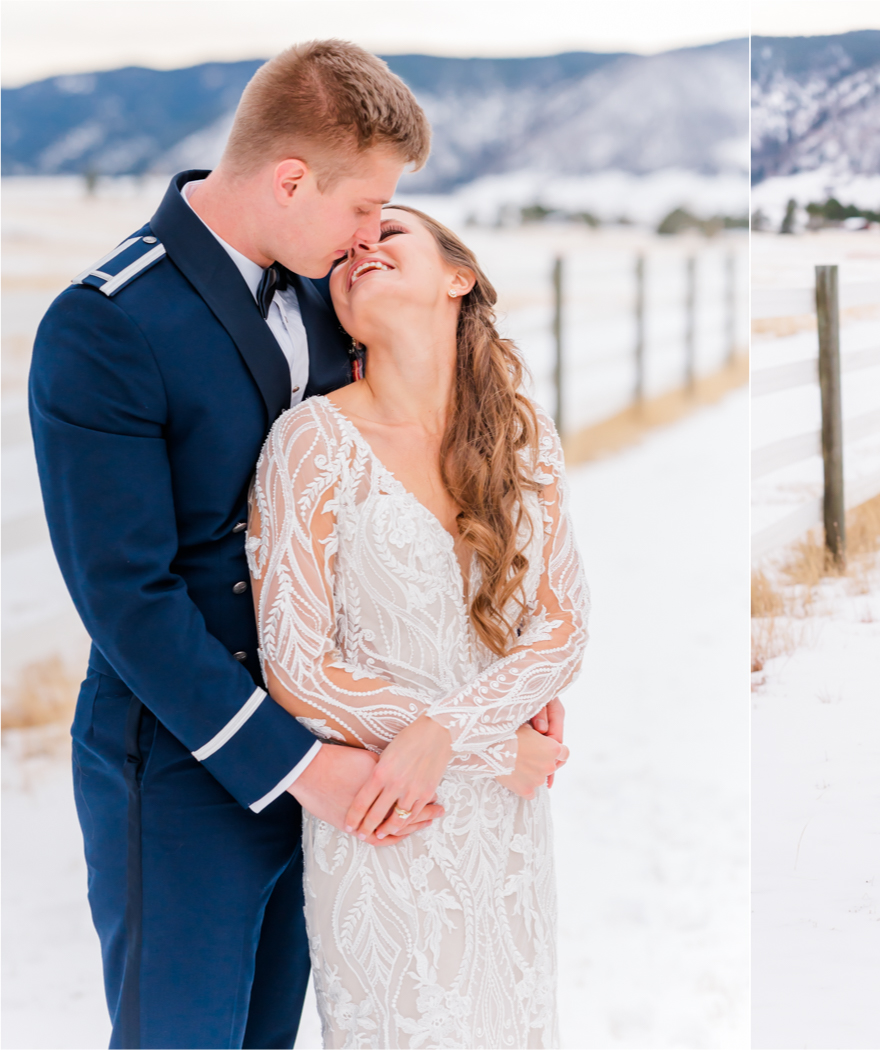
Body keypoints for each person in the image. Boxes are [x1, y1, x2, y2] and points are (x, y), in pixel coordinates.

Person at [30, 41, 538, 1048]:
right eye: (363, 209)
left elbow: (421, 483)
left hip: (347, 746)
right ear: (291, 178)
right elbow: (127, 597)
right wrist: (299, 765)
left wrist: (510, 671)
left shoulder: (329, 299)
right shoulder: (105, 326)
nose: (370, 238)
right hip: (185, 764)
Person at [248, 203, 585, 1047]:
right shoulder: (310, 441)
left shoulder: (522, 439)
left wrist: (449, 732)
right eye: (346, 252)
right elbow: (296, 665)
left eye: (389, 234)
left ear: (457, 278)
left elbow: (561, 630)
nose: (361, 248)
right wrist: (489, 746)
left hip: (504, 826)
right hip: (383, 814)